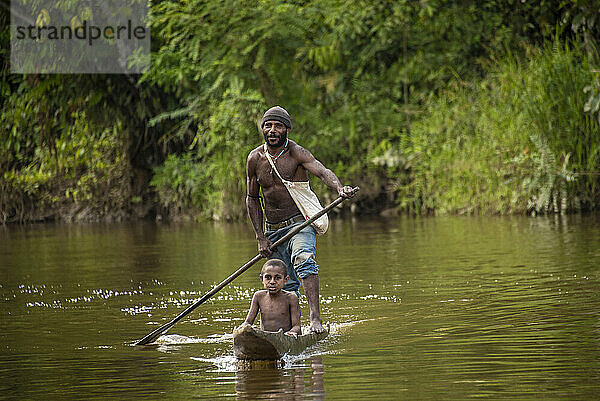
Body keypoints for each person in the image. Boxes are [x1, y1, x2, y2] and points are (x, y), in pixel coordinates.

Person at [246, 105, 355, 333]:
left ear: (286, 130)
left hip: (300, 223)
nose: (272, 130)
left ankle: (315, 319)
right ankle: (288, 331)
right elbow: (252, 198)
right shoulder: (255, 159)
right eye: (268, 125)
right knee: (284, 282)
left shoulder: (296, 153)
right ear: (263, 129)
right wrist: (260, 237)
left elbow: (322, 171)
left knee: (304, 259)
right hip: (272, 230)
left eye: (278, 126)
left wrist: (339, 187)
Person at [241, 259, 301, 337]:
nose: (272, 282)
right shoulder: (258, 296)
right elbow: (248, 322)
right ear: (262, 279)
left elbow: (297, 326)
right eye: (268, 277)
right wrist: (242, 329)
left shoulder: (291, 298)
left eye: (277, 278)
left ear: (286, 280)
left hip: (285, 337)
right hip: (266, 337)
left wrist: (292, 332)